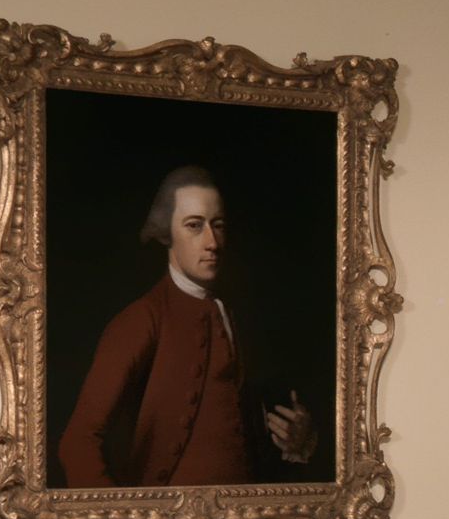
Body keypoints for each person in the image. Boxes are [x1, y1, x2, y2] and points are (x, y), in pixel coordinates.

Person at [56, 167, 323, 488]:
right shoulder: (141, 319)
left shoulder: (238, 314)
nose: (212, 242)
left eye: (218, 225)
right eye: (194, 226)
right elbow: (77, 443)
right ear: (165, 233)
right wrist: (121, 516)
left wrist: (301, 442)